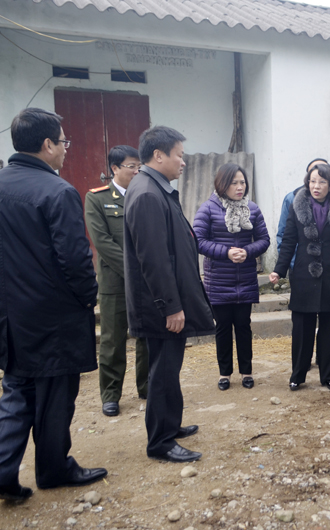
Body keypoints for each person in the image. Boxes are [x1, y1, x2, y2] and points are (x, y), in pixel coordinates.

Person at [0, 107, 107, 501]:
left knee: (17, 389)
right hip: (53, 316)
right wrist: (88, 296)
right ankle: (53, 468)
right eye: (64, 142)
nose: (66, 149)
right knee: (54, 394)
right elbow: (75, 258)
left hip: (9, 313)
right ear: (47, 145)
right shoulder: (56, 190)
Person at [124, 126, 216, 463]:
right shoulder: (148, 194)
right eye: (179, 155)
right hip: (160, 307)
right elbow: (154, 260)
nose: (184, 162)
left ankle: (170, 424)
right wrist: (171, 306)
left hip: (164, 303)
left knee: (168, 368)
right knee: (162, 371)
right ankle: (160, 442)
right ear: (158, 155)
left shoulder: (155, 189)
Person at [270, 164, 330, 390]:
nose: (316, 186)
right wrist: (279, 270)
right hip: (303, 273)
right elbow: (289, 241)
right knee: (302, 328)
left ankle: (329, 376)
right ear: (307, 183)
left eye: (321, 182)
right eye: (312, 181)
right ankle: (297, 376)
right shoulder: (296, 205)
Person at [193, 163, 270, 391]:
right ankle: (224, 373)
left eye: (242, 182)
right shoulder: (208, 208)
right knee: (223, 328)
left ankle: (246, 372)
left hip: (245, 278)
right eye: (234, 182)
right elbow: (198, 240)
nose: (239, 187)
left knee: (244, 326)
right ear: (222, 184)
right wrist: (226, 252)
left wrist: (248, 251)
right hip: (219, 280)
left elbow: (264, 240)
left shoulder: (252, 209)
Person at [85, 146, 149, 417]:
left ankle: (147, 387)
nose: (137, 171)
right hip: (115, 283)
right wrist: (136, 270)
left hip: (146, 281)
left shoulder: (145, 195)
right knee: (113, 340)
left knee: (147, 336)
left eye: (139, 167)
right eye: (131, 166)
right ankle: (111, 394)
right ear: (114, 168)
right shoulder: (97, 199)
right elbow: (103, 243)